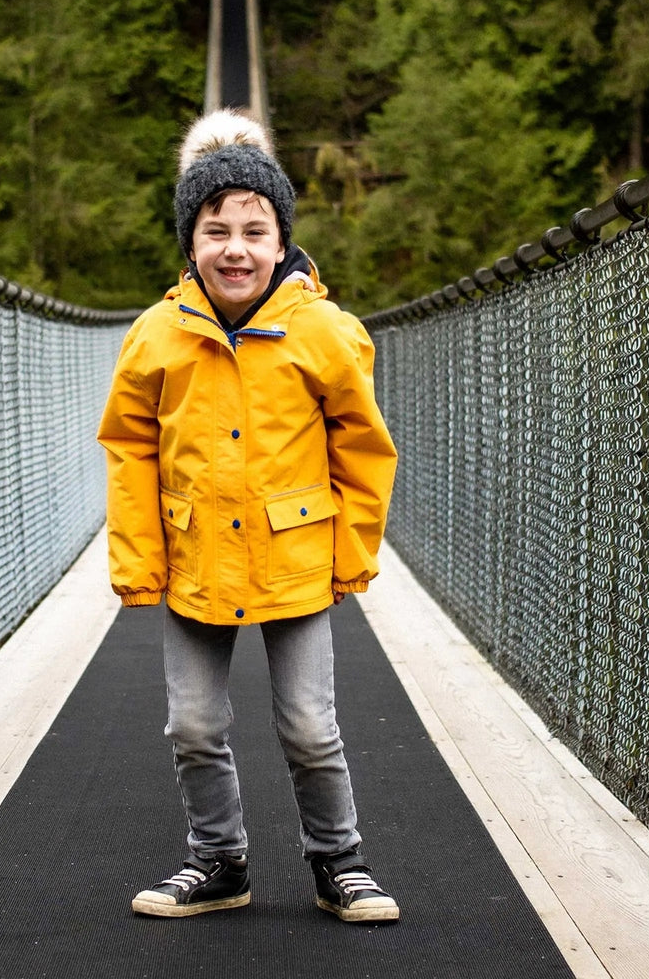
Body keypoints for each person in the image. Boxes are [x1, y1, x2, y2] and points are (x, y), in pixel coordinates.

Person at [97, 109, 399, 923]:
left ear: (281, 240)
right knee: (192, 725)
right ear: (189, 243)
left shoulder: (325, 334)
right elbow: (129, 450)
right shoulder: (156, 336)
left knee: (309, 727)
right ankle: (219, 863)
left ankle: (341, 862)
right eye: (215, 229)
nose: (235, 247)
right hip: (197, 560)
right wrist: (137, 560)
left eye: (254, 230)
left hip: (293, 558)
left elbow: (364, 449)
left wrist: (353, 552)